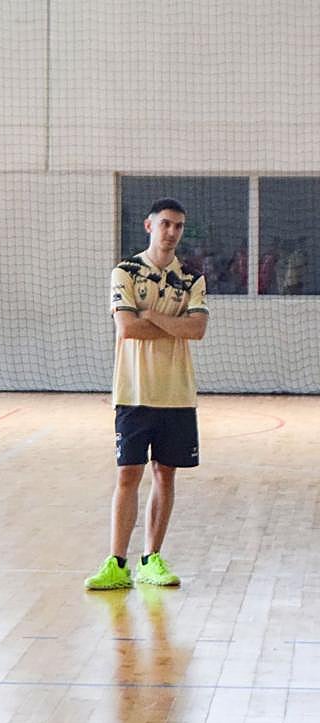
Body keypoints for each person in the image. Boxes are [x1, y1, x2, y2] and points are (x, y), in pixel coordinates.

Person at [86, 197, 209, 591]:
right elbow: (126, 328)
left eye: (178, 226)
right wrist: (175, 321)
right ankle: (116, 563)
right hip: (133, 391)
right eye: (166, 224)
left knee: (165, 474)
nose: (172, 232)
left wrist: (151, 315)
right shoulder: (125, 272)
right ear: (149, 225)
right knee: (128, 475)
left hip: (176, 394)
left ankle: (151, 559)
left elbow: (197, 331)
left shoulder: (191, 277)